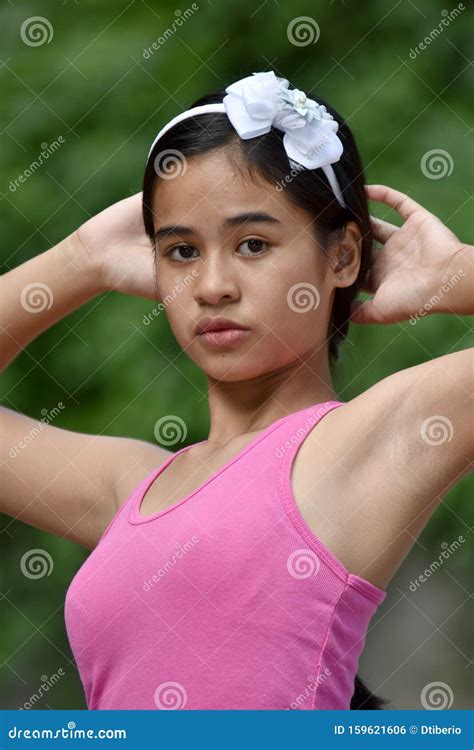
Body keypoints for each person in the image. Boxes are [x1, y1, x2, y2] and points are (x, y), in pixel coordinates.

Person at [1, 71, 472, 711]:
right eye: (181, 251)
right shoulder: (129, 488)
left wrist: (452, 276)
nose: (212, 285)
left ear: (342, 257)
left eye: (253, 244)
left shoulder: (368, 441)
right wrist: (82, 259)